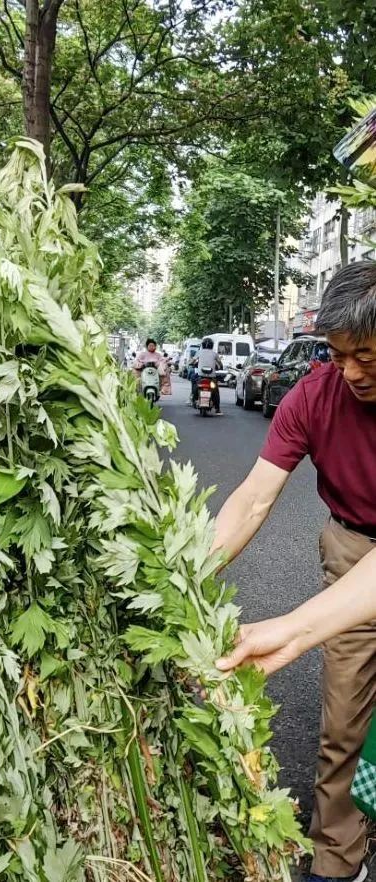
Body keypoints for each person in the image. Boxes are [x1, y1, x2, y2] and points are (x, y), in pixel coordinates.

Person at [213, 262, 376, 882]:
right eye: (339, 356)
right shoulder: (312, 395)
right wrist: (185, 576)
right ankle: (339, 860)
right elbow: (253, 498)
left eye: (367, 356)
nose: (351, 372)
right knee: (346, 724)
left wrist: (295, 629)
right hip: (352, 549)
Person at [190, 337, 223, 413]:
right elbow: (220, 363)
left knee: (193, 380)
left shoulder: (199, 352)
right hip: (212, 377)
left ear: (203, 345)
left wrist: (190, 363)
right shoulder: (214, 353)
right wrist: (221, 367)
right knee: (216, 390)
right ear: (212, 345)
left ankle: (193, 398)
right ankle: (217, 409)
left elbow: (192, 361)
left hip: (200, 376)